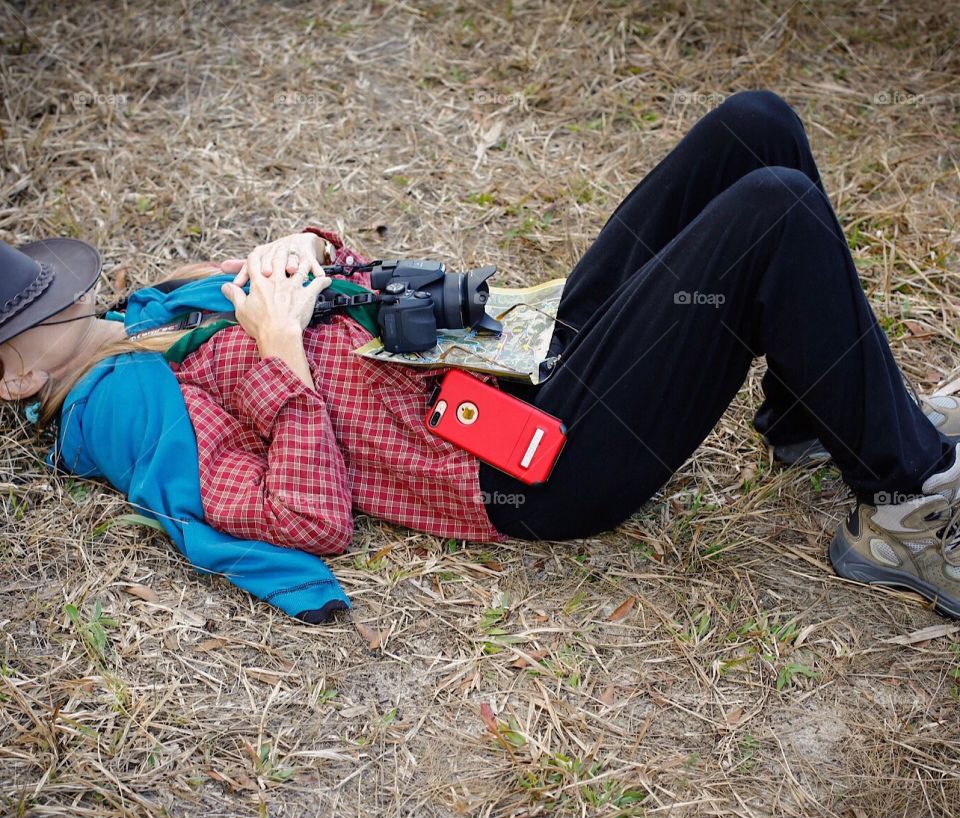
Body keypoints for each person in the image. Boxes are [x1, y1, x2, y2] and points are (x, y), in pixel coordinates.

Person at [2, 90, 960, 620]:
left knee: (754, 130)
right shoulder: (113, 409)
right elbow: (303, 515)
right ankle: (906, 505)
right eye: (31, 309)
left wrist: (306, 255)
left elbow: (324, 275)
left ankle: (815, 417)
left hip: (510, 360)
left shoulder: (148, 307)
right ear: (18, 377)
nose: (61, 290)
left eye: (40, 277)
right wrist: (281, 348)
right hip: (527, 462)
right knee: (773, 209)